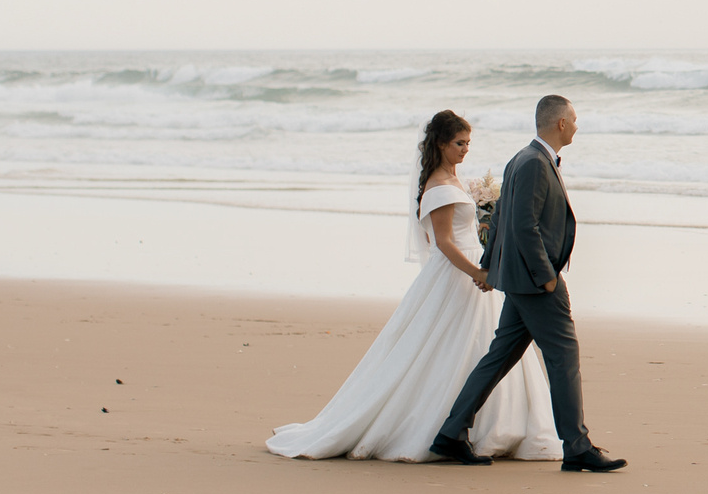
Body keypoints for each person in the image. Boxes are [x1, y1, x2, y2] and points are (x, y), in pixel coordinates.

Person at [266, 110, 560, 462]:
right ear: (440, 144)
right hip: (456, 275)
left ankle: (484, 424)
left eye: (468, 143)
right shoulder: (438, 187)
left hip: (470, 270)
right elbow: (444, 243)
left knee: (479, 345)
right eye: (459, 143)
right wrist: (477, 273)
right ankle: (449, 426)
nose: (466, 150)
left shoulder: (453, 179)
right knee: (450, 348)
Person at [429, 95, 625, 473]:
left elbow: (501, 214)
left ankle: (451, 434)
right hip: (536, 283)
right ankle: (578, 447)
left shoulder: (522, 158)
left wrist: (492, 265)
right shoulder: (534, 162)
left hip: (519, 279)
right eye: (575, 119)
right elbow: (522, 225)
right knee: (563, 359)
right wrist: (546, 278)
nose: (578, 125)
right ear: (561, 124)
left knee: (499, 356)